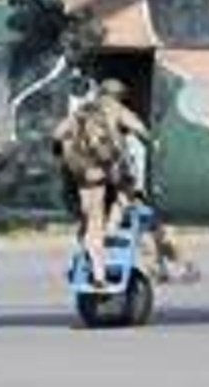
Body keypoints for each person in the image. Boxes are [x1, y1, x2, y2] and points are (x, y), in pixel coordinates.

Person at [53, 78, 147, 288]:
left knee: (90, 220)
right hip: (107, 172)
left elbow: (57, 134)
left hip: (83, 175)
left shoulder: (82, 111)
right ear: (120, 95)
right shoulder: (118, 110)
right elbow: (142, 131)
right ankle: (111, 232)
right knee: (127, 191)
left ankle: (94, 263)